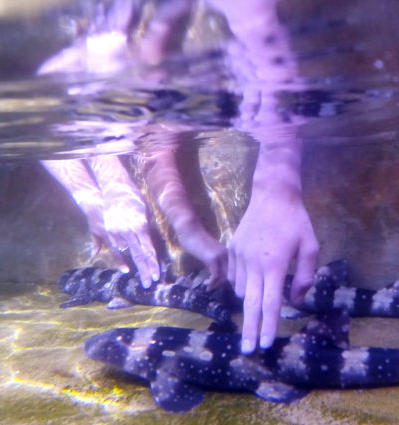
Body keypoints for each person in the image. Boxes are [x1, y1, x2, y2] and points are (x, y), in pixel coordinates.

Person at [39, 0, 319, 354]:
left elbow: (273, 61)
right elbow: (149, 149)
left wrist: (279, 184)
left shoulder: (224, 34)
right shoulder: (104, 47)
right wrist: (101, 194)